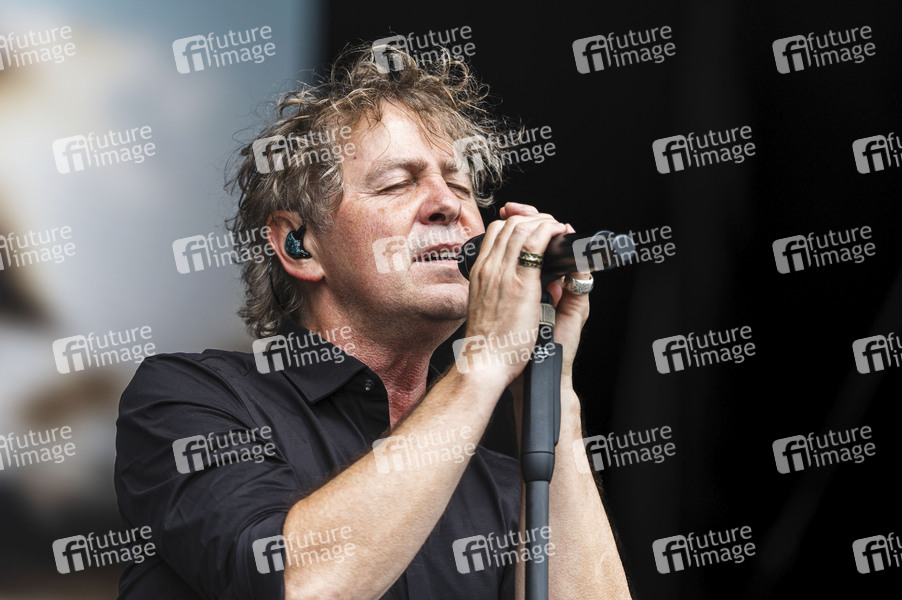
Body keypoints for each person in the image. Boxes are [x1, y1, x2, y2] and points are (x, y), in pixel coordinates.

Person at [114, 44, 632, 600]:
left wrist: (552, 386)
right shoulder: (186, 400)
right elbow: (301, 587)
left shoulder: (504, 487)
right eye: (398, 184)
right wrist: (483, 361)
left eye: (460, 185)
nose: (449, 206)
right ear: (298, 244)